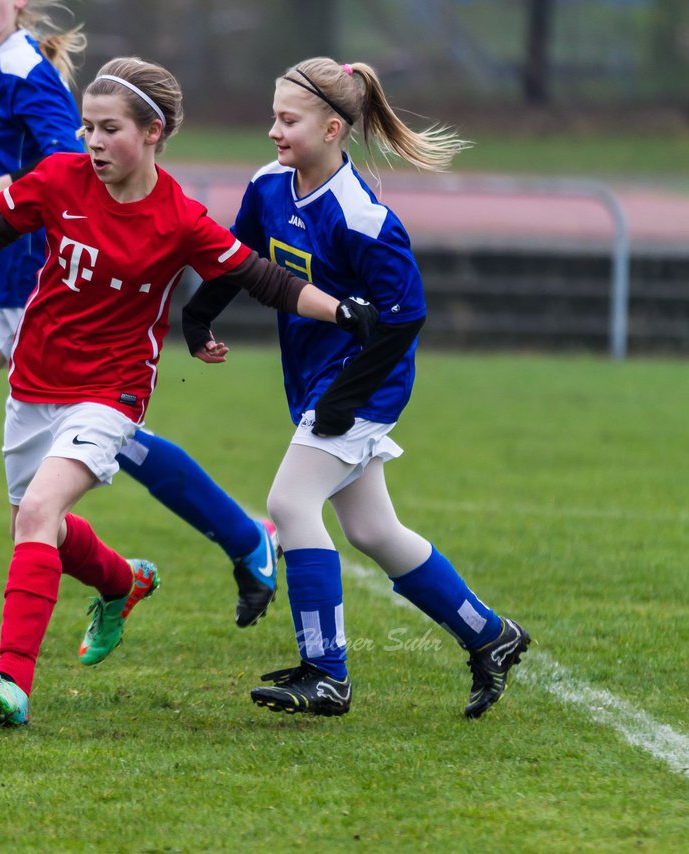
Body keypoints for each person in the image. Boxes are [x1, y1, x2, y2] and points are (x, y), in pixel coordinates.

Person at [0, 57, 376, 726]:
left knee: (36, 517)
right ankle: (121, 580)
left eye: (109, 129)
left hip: (110, 390)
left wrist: (340, 309)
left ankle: (12, 681)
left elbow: (265, 280)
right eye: (86, 127)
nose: (92, 142)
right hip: (35, 381)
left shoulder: (180, 217)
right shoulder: (58, 180)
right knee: (35, 526)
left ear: (153, 133)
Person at [0, 0, 282, 638]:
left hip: (54, 283)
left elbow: (59, 164)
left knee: (114, 440)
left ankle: (244, 536)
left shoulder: (25, 72)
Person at [182, 57, 531, 719]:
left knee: (290, 502)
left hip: (364, 386)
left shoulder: (361, 218)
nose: (273, 131)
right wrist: (199, 315)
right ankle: (491, 635)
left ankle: (327, 673)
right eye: (274, 117)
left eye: (288, 120)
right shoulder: (268, 187)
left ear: (334, 128)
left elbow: (406, 317)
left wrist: (345, 400)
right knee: (373, 529)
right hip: (318, 382)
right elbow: (240, 259)